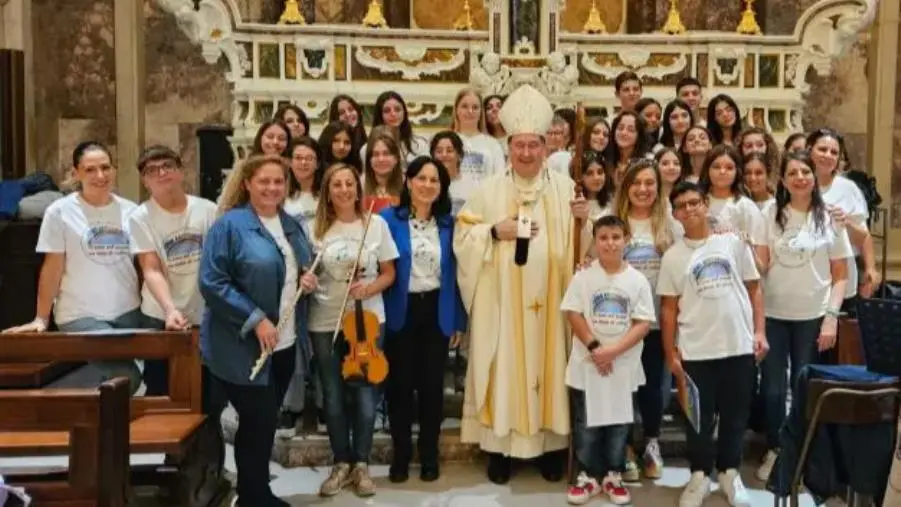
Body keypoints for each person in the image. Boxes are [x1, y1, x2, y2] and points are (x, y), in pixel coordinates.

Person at [454, 84, 574, 484]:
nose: (526, 153)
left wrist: (585, 220)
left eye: (533, 145)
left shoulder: (565, 189)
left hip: (553, 305)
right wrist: (493, 230)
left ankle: (551, 449)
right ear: (508, 146)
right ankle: (501, 449)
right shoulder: (488, 190)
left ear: (545, 146)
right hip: (501, 304)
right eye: (519, 145)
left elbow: (583, 244)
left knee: (550, 368)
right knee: (503, 367)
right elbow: (463, 235)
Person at [199, 154, 316, 507]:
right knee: (258, 419)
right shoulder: (229, 226)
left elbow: (294, 270)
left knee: (263, 423)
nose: (271, 188)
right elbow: (212, 282)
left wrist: (308, 278)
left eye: (278, 181)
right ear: (247, 183)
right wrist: (256, 320)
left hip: (284, 342)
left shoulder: (292, 225)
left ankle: (252, 490)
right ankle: (255, 495)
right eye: (263, 181)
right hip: (241, 344)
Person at [657, 181, 769, 507]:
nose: (689, 210)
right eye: (682, 206)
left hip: (737, 345)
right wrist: (670, 352)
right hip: (696, 349)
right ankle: (699, 474)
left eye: (695, 202)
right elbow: (668, 308)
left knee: (736, 416)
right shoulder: (673, 257)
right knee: (697, 418)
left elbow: (754, 288)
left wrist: (759, 332)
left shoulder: (732, 244)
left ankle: (729, 473)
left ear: (705, 204)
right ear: (675, 214)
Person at [3, 141, 143, 393]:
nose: (100, 176)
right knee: (127, 375)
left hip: (127, 311)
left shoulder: (131, 211)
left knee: (157, 370)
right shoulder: (59, 212)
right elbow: (52, 267)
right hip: (79, 315)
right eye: (90, 170)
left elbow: (143, 266)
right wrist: (41, 317)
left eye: (105, 167)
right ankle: (107, 429)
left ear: (114, 170)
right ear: (76, 173)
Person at [755, 151, 852, 481]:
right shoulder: (769, 213)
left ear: (814, 177)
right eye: (792, 172)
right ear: (782, 180)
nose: (799, 177)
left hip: (812, 316)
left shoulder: (829, 218)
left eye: (805, 171)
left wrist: (831, 316)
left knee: (804, 385)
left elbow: (840, 274)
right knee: (771, 388)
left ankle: (803, 453)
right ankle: (776, 447)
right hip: (772, 314)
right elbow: (761, 266)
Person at [309, 163, 398, 498]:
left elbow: (389, 273)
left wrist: (370, 288)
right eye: (337, 185)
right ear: (327, 192)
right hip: (325, 320)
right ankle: (341, 461)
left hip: (367, 321)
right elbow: (309, 273)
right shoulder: (315, 228)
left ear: (358, 190)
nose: (344, 190)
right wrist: (307, 279)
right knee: (332, 394)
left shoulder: (375, 225)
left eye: (350, 184)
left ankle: (361, 463)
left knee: (364, 393)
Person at [381, 156, 468, 483]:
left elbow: (457, 275)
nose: (428, 185)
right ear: (409, 181)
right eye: (422, 178)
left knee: (432, 388)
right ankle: (401, 454)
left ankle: (429, 454)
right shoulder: (387, 219)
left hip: (436, 310)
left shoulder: (449, 224)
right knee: (399, 387)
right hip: (400, 310)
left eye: (435, 180)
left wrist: (458, 320)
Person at [563, 215, 654, 506]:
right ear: (595, 241)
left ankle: (613, 474)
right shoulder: (583, 277)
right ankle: (589, 475)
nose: (610, 243)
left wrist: (612, 352)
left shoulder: (637, 280)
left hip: (622, 366)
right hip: (587, 365)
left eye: (616, 237)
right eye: (603, 238)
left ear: (626, 240)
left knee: (618, 424)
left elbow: (642, 323)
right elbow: (573, 313)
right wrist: (594, 348)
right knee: (587, 424)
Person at [129, 145, 217, 396]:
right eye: (152, 170)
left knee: (205, 387)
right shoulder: (140, 216)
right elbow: (151, 268)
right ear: (145, 181)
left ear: (180, 171)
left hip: (202, 311)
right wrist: (170, 310)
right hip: (159, 314)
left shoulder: (207, 209)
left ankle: (208, 435)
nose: (161, 173)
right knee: (161, 387)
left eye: (167, 166)